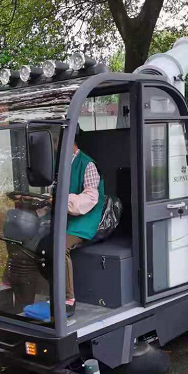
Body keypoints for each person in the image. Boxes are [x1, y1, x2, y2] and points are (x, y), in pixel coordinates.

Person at [65, 131, 105, 317]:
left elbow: (90, 198)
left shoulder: (87, 164)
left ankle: (68, 298)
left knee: (60, 246)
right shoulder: (61, 164)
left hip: (85, 219)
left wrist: (63, 201)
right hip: (65, 217)